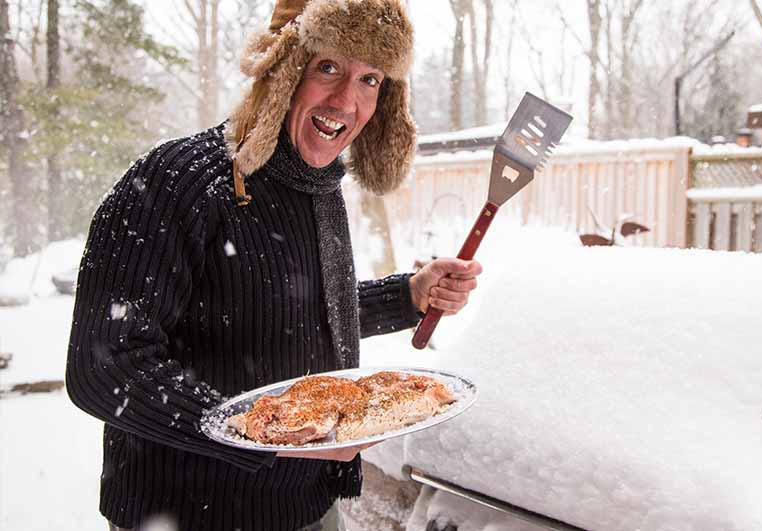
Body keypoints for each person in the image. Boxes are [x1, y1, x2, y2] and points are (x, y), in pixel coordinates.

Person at [65, 1, 482, 530]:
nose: (346, 100)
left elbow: (287, 308)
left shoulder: (318, 189)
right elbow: (105, 367)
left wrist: (409, 295)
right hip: (184, 514)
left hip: (307, 508)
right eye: (328, 66)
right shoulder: (176, 181)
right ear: (284, 70)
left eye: (371, 78)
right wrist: (261, 434)